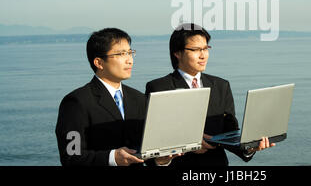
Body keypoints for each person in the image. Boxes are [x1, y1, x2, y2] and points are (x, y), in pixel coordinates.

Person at [145, 23, 275, 167]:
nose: (203, 55)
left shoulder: (221, 86)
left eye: (206, 48)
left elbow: (230, 133)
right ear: (177, 53)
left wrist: (250, 146)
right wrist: (188, 143)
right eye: (195, 50)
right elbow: (153, 139)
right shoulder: (159, 87)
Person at [55, 27, 173, 166]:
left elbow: (146, 151)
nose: (129, 60)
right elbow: (71, 157)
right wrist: (112, 158)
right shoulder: (77, 102)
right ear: (99, 62)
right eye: (121, 54)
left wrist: (161, 160)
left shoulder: (139, 98)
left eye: (130, 53)